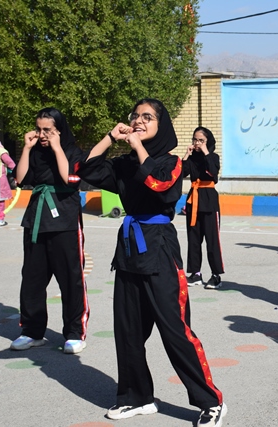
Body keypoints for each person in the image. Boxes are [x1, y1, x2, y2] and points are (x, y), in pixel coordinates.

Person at [76, 99, 226, 426]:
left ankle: (210, 401)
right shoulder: (124, 163)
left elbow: (161, 186)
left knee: (174, 329)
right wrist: (110, 137)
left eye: (148, 117)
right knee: (127, 330)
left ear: (162, 126)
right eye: (136, 116)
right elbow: (84, 169)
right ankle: (137, 397)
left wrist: (137, 147)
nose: (139, 121)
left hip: (159, 246)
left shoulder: (171, 162)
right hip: (129, 248)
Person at [11, 108, 89, 355]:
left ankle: (74, 333)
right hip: (37, 219)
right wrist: (26, 148)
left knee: (70, 279)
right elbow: (21, 180)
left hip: (65, 220)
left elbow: (69, 178)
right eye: (39, 129)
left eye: (48, 130)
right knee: (32, 279)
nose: (42, 134)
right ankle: (32, 332)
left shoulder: (72, 151)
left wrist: (56, 148)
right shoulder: (35, 151)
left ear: (59, 130)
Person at [183, 126, 225, 289]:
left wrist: (206, 151)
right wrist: (187, 155)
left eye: (201, 140)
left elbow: (213, 174)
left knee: (212, 240)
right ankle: (195, 274)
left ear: (208, 142)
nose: (197, 143)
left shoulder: (213, 157)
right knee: (193, 239)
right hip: (193, 200)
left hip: (209, 200)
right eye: (195, 140)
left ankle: (216, 275)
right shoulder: (192, 158)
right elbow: (180, 174)